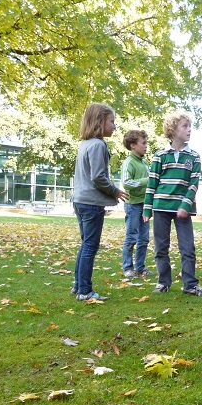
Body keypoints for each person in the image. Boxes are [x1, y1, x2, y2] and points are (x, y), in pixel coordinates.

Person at [142, 111, 202, 296]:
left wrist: (185, 205)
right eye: (184, 126)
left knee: (188, 248)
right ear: (172, 130)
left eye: (190, 127)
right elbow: (152, 184)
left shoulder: (194, 157)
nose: (189, 130)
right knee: (160, 248)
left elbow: (193, 184)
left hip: (182, 210)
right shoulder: (160, 155)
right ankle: (163, 282)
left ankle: (190, 285)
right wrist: (147, 208)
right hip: (161, 208)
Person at [71, 103, 128, 301]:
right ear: (99, 121)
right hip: (91, 203)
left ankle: (79, 285)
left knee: (85, 244)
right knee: (90, 246)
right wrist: (114, 191)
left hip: (80, 200)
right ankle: (85, 291)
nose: (114, 126)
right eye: (111, 122)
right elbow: (98, 177)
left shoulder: (85, 144)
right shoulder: (98, 145)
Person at [121, 129, 155, 278]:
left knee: (144, 238)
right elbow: (127, 183)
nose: (146, 146)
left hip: (145, 205)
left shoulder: (145, 163)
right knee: (131, 237)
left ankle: (140, 267)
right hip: (133, 205)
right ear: (133, 145)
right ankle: (128, 268)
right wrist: (145, 181)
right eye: (143, 143)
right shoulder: (129, 163)